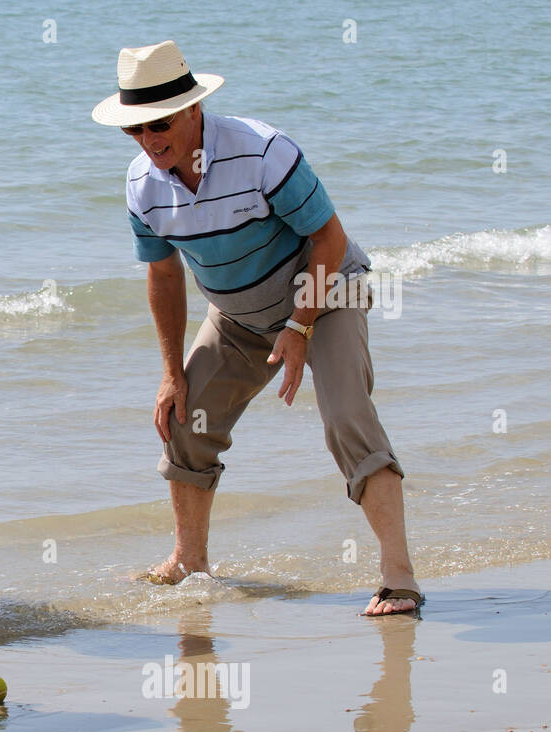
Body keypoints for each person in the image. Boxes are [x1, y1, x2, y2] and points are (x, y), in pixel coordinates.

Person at [92, 40, 422, 616]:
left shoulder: (265, 152)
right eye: (134, 130)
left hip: (327, 294)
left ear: (193, 108)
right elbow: (164, 277)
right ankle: (188, 564)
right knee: (183, 420)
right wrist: (172, 373)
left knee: (347, 418)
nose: (148, 140)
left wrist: (299, 325)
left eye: (159, 124)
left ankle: (399, 578)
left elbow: (330, 239)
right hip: (239, 318)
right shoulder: (142, 185)